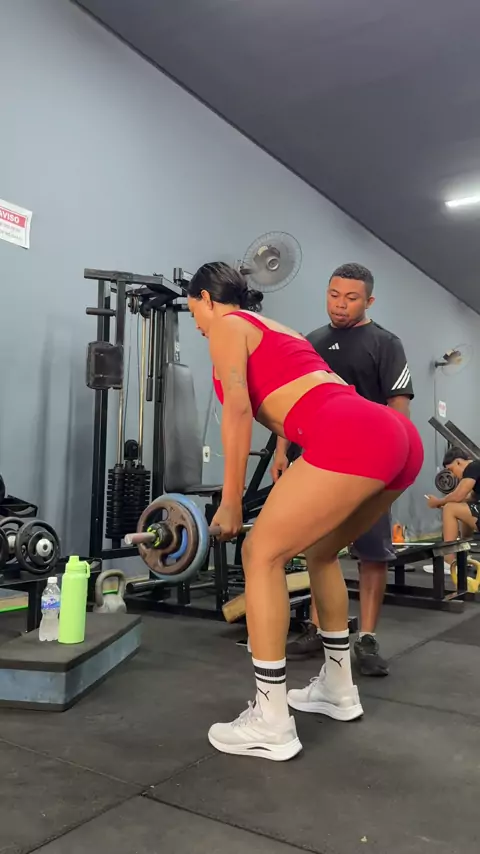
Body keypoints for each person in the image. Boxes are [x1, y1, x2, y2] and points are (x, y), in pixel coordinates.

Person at [187, 261, 423, 762]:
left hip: (349, 433)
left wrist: (231, 498)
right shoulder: (280, 329)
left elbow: (237, 410)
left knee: (260, 554)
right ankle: (338, 688)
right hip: (394, 435)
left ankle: (270, 719)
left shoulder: (228, 326)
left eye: (194, 314)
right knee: (320, 553)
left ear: (206, 299)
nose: (199, 325)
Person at [272, 263, 413, 676]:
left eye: (351, 298)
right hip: (319, 461)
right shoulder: (312, 342)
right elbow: (295, 399)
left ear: (369, 301)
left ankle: (366, 639)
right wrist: (281, 451)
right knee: (319, 548)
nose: (340, 304)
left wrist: (395, 463)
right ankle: (320, 629)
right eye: (334, 295)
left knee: (372, 554)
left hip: (370, 463)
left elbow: (398, 408)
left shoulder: (386, 343)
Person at [425, 447, 480, 569]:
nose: (453, 475)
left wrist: (438, 502)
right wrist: (443, 504)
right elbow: (468, 498)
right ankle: (463, 556)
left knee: (450, 508)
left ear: (458, 462)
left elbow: (459, 495)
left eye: (451, 469)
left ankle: (448, 562)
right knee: (459, 506)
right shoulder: (476, 470)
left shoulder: (472, 467)